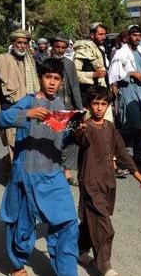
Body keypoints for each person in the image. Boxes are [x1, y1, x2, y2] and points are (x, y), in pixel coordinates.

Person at [0, 58, 79, 276]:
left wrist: (76, 133)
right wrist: (28, 115)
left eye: (57, 79)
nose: (52, 82)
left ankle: (66, 271)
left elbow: (60, 139)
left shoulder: (60, 106)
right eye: (48, 77)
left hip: (53, 173)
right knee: (21, 224)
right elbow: (2, 118)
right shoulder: (29, 101)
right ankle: (17, 264)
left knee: (68, 221)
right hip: (27, 173)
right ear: (41, 78)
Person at [75, 86, 141, 276]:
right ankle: (105, 266)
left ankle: (79, 249)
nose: (99, 108)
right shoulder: (86, 127)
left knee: (92, 219)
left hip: (107, 182)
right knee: (104, 226)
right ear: (89, 105)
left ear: (108, 106)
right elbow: (79, 140)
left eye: (103, 104)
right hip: (90, 181)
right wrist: (79, 131)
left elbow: (121, 150)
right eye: (95, 104)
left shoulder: (109, 127)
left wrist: (135, 172)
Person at [0, 29, 40, 180]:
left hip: (29, 110)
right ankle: (18, 181)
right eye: (19, 42)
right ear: (13, 43)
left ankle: (8, 163)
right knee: (14, 145)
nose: (22, 46)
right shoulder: (2, 60)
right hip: (10, 110)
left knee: (25, 145)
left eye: (25, 43)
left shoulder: (30, 61)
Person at [108, 24, 141, 165]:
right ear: (128, 37)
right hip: (128, 91)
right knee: (133, 124)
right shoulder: (120, 53)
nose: (137, 38)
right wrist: (131, 73)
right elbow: (114, 74)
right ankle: (119, 153)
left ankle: (138, 156)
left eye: (139, 35)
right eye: (134, 35)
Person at [50, 35, 83, 185]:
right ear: (52, 46)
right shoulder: (44, 62)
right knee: (52, 139)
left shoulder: (69, 64)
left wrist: (79, 108)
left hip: (68, 106)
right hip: (50, 106)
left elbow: (75, 87)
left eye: (63, 48)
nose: (60, 50)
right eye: (57, 47)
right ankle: (52, 171)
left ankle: (67, 172)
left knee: (69, 140)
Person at [74, 23, 112, 121]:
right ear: (92, 35)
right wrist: (93, 75)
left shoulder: (101, 52)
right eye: (100, 34)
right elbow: (74, 75)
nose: (103, 37)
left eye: (104, 34)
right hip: (88, 99)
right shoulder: (82, 51)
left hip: (102, 97)